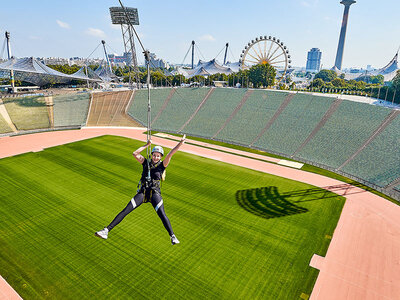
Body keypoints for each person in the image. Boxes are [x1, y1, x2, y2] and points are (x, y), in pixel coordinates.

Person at [95, 135, 186, 245]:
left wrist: (180, 143)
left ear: (161, 157)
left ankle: (172, 236)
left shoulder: (162, 165)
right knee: (126, 210)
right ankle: (106, 230)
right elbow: (135, 154)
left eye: (158, 156)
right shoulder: (145, 163)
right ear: (151, 155)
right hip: (143, 192)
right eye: (154, 155)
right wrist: (146, 145)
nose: (156, 157)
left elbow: (171, 153)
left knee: (162, 214)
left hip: (154, 193)